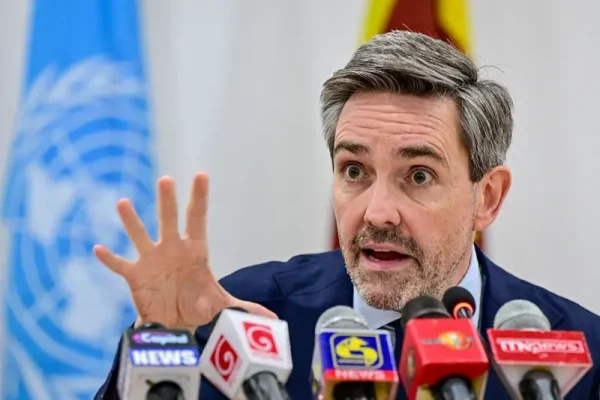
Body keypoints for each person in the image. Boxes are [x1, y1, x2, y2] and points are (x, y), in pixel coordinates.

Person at [94, 31, 600, 399]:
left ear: (487, 197)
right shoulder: (243, 317)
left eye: (418, 175)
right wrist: (160, 342)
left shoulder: (580, 352)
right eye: (354, 170)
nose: (377, 212)